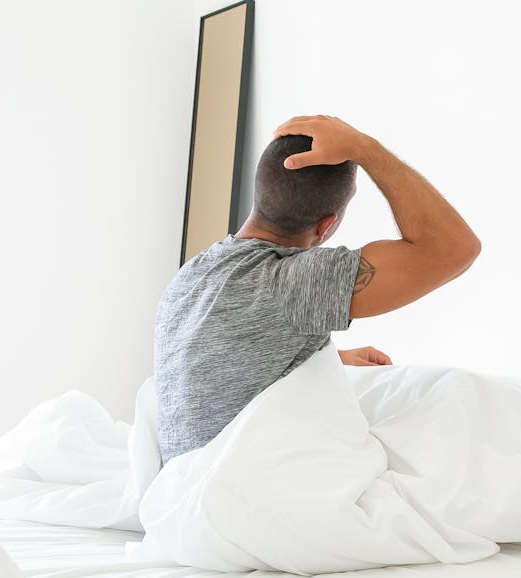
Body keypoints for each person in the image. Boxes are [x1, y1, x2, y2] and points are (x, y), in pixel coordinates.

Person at [153, 115, 481, 465]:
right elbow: (455, 248)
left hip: (184, 489)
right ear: (325, 226)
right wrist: (365, 148)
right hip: (245, 497)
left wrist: (328, 361)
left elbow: (217, 367)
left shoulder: (193, 275)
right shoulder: (293, 281)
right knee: (465, 405)